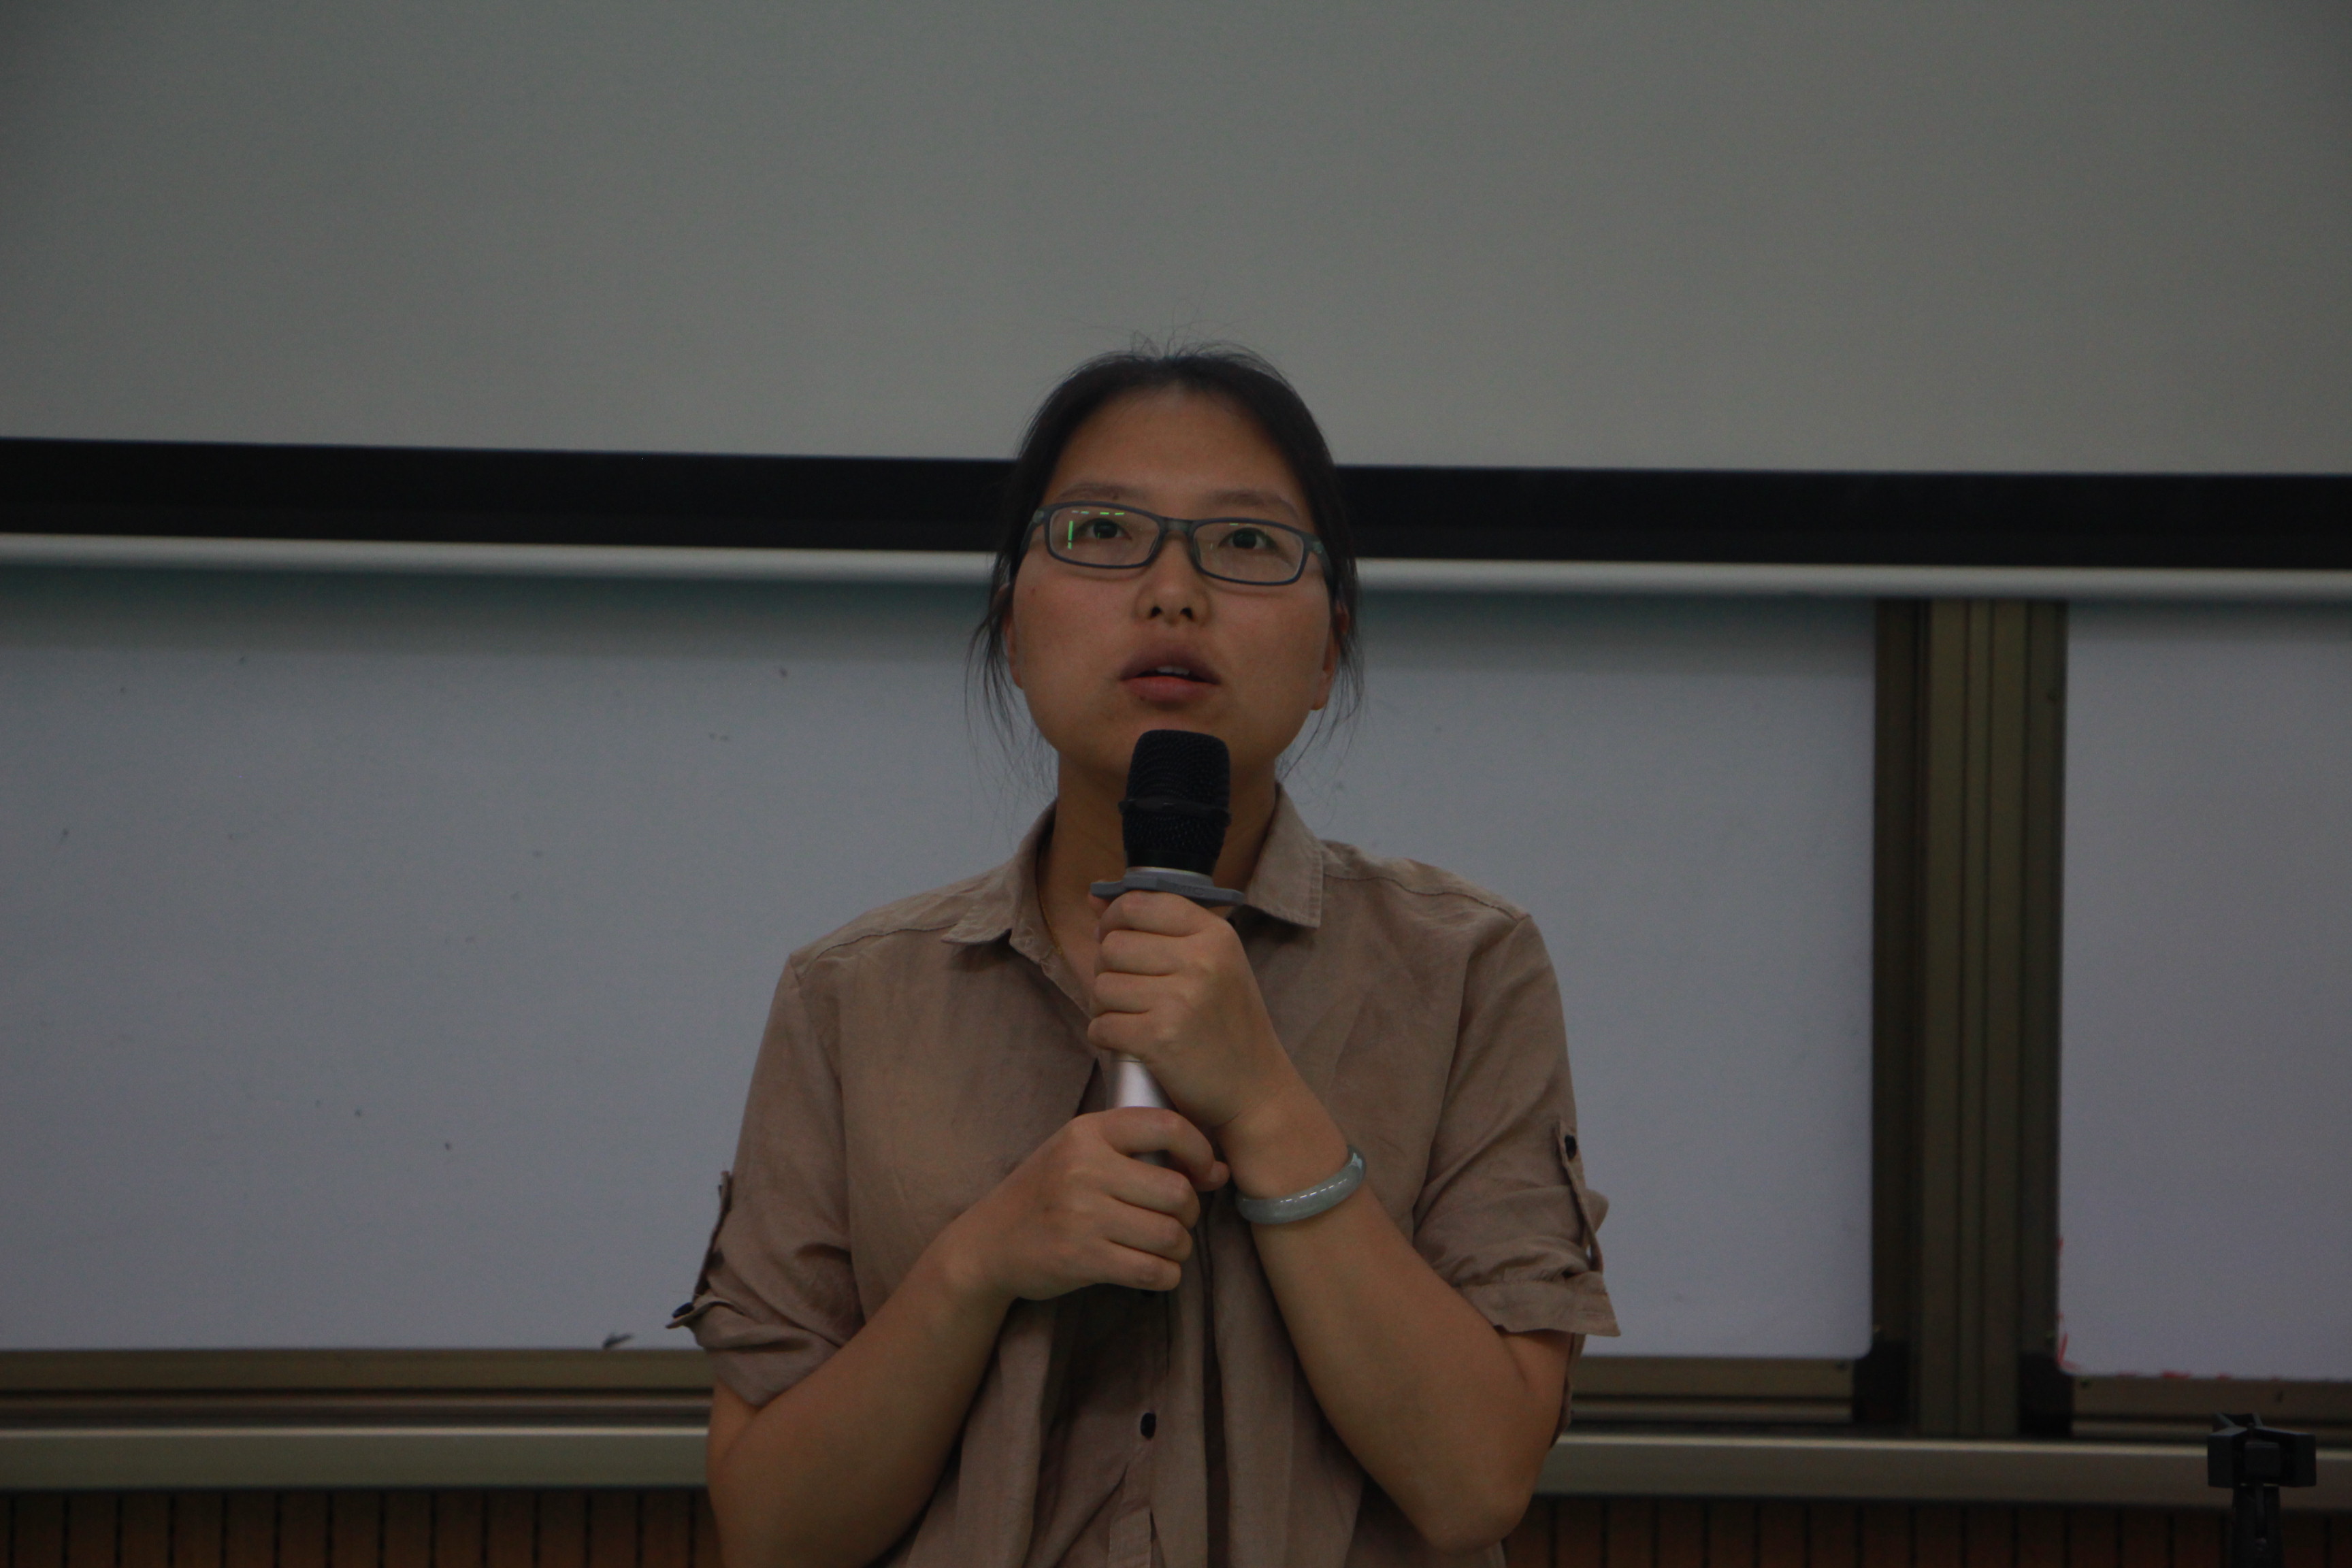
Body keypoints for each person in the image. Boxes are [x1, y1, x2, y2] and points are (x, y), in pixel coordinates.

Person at [674, 346, 1617, 1568]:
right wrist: (979, 1263)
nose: (1174, 593)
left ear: (1328, 654)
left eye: (1246, 544)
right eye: (1103, 533)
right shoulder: (852, 997)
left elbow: (1476, 1483)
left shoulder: (1467, 969)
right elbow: (770, 1529)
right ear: (1013, 627)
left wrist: (1267, 1102)